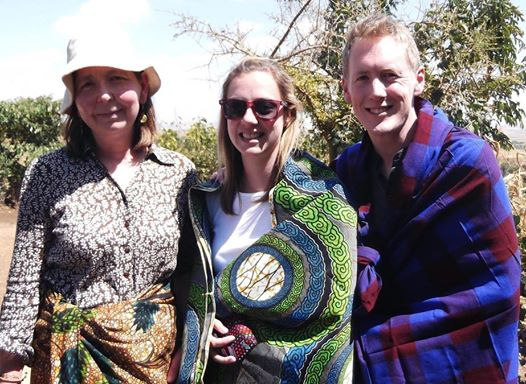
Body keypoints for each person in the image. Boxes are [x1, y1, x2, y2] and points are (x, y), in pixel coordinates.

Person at [333, 13, 521, 383]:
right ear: (346, 90)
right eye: (363, 78)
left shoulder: (467, 163)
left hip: (458, 363)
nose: (376, 92)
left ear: (418, 81)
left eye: (390, 75)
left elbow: (495, 293)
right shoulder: (347, 170)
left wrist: (376, 343)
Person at [0, 32, 196, 383]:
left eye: (117, 79)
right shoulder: (48, 172)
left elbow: (188, 272)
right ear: (75, 99)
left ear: (143, 89)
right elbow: (24, 279)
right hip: (68, 362)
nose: (103, 95)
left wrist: (189, 346)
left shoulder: (179, 172)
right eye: (87, 84)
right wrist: (9, 362)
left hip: (156, 364)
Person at [176, 57, 358, 383]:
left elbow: (332, 304)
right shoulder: (204, 199)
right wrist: (205, 325)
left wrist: (244, 330)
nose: (248, 118)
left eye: (264, 107)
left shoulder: (322, 196)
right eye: (235, 107)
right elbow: (193, 290)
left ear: (287, 115)